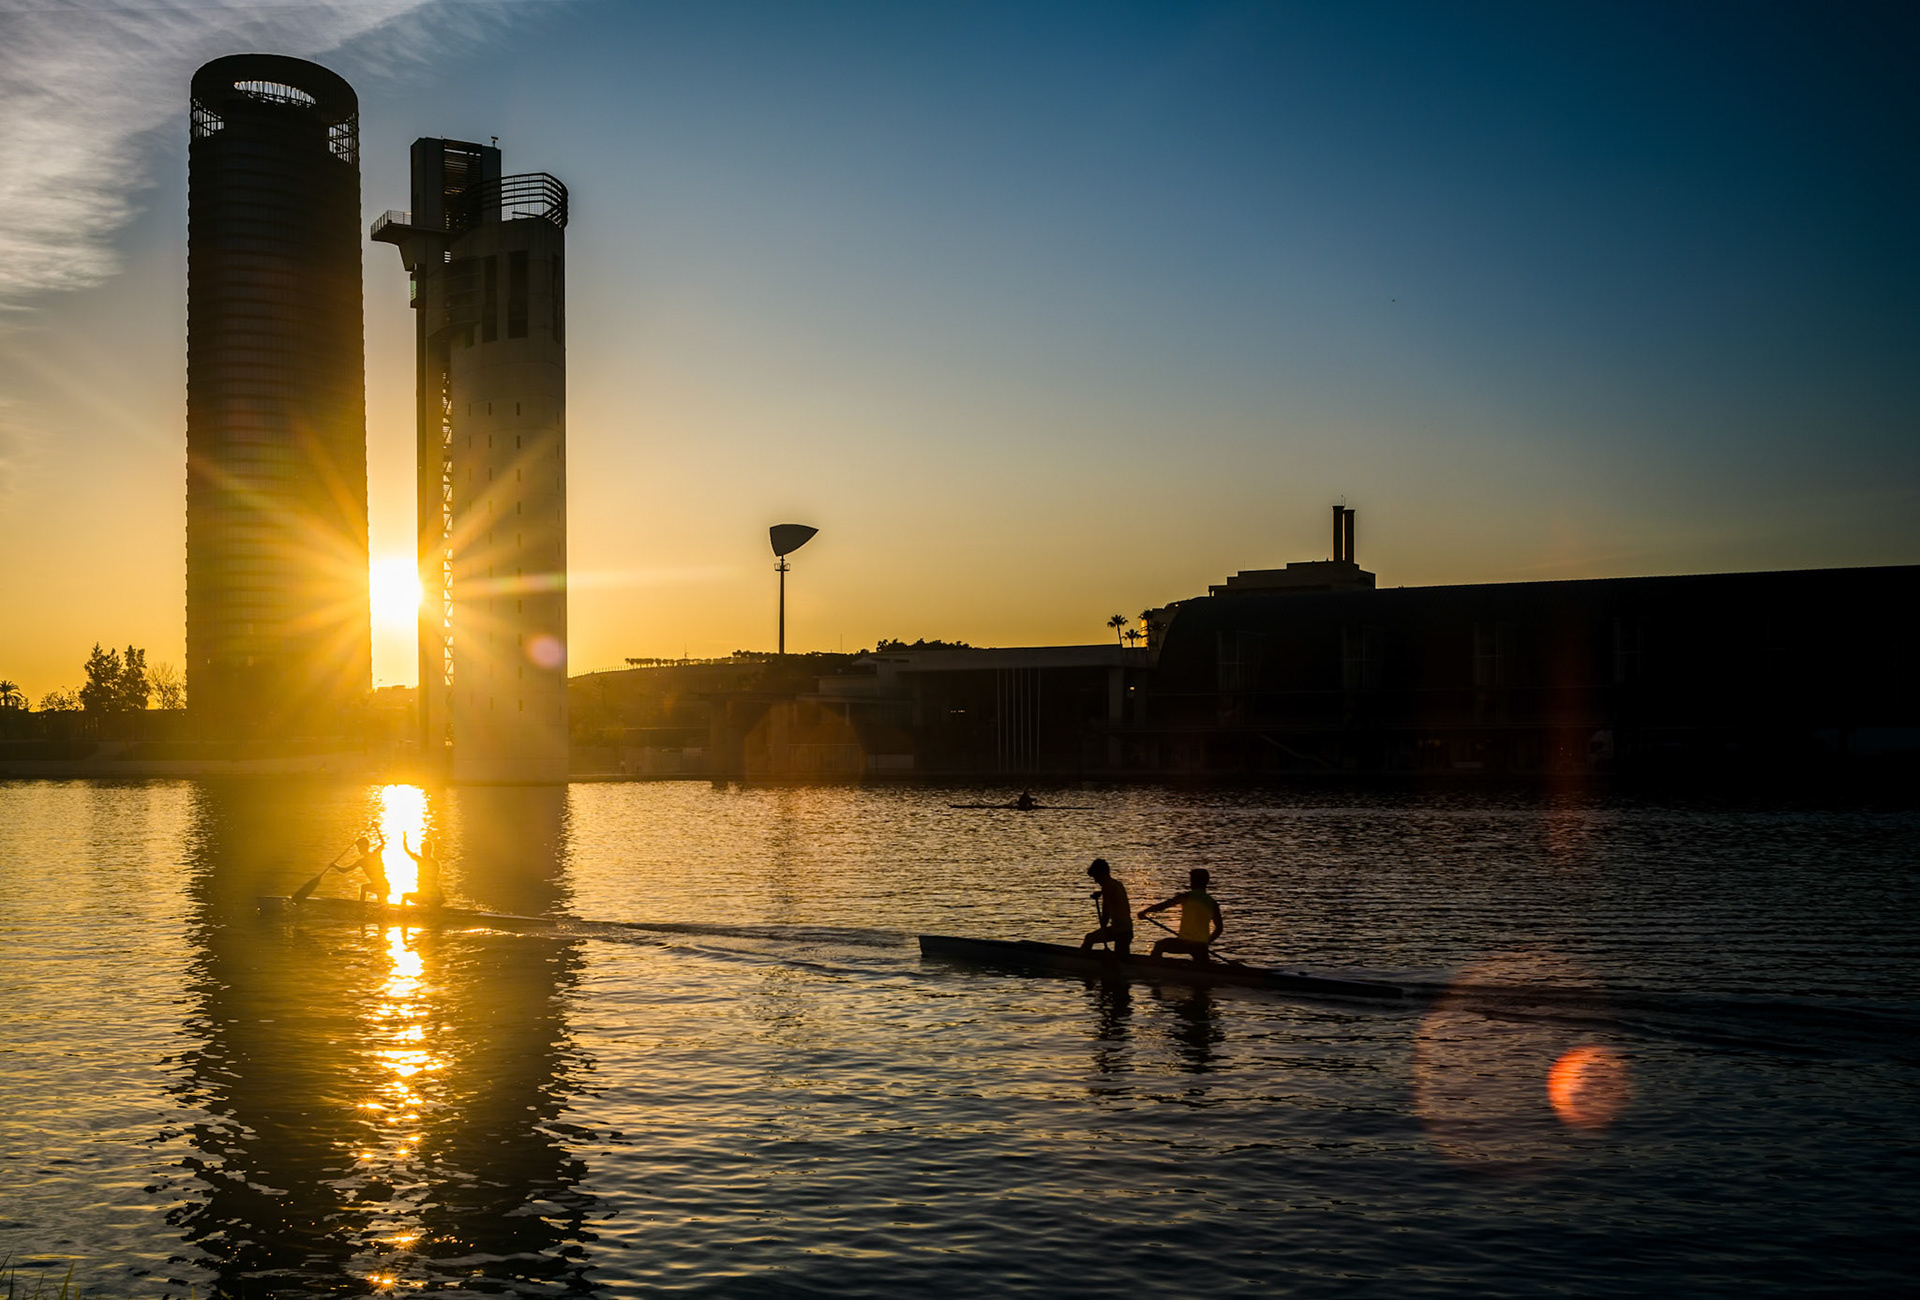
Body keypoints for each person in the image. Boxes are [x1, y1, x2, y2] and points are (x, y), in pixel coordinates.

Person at [1139, 868, 1223, 964]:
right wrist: (1207, 943)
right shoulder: (1212, 903)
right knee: (1204, 965)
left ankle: (1154, 969)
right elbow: (1219, 929)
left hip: (1185, 943)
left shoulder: (1187, 897)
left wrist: (1145, 911)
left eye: (1191, 880)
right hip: (1201, 946)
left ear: (1193, 882)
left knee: (1160, 945)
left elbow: (1164, 905)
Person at [1081, 858, 1133, 958]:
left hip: (1120, 931)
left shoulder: (1107, 887)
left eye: (1096, 877)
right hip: (1127, 930)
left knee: (1089, 938)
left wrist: (1103, 930)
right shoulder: (1117, 884)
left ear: (1102, 874)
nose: (1096, 880)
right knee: (1123, 958)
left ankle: (1081, 962)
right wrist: (1101, 893)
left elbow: (1106, 913)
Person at [400, 833, 445, 909]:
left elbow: (407, 850)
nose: (422, 851)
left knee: (404, 896)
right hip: (435, 896)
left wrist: (404, 838)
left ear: (425, 850)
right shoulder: (436, 863)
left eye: (422, 849)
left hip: (424, 896)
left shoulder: (420, 861)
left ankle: (402, 915)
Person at [345, 833, 389, 904]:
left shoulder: (363, 860)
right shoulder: (374, 854)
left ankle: (361, 907)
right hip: (383, 885)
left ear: (363, 847)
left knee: (364, 888)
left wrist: (334, 866)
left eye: (359, 848)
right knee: (382, 903)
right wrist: (334, 866)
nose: (358, 850)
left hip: (381, 885)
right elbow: (383, 842)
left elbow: (344, 870)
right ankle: (363, 907)